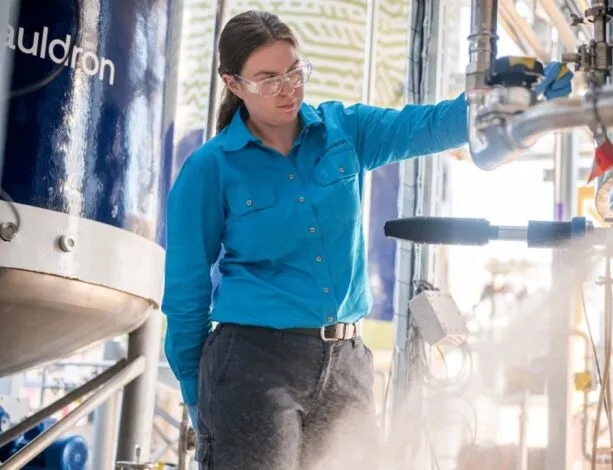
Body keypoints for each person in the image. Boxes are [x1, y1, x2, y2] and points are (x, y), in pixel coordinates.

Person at [162, 10, 572, 470]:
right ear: (234, 84)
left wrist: (514, 104)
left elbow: (428, 125)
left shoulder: (344, 131)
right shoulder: (211, 167)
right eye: (269, 80)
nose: (289, 89)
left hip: (346, 364)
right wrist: (196, 393)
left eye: (295, 72)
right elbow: (185, 294)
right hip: (253, 367)